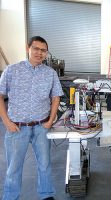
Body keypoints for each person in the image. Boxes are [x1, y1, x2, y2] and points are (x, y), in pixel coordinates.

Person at [0, 36, 64, 200]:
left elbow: (56, 97)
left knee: (45, 165)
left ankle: (46, 194)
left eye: (43, 50)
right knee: (14, 168)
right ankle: (10, 197)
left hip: (41, 127)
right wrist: (6, 122)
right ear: (28, 48)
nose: (39, 53)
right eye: (36, 49)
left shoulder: (50, 74)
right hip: (16, 127)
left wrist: (50, 121)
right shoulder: (12, 70)